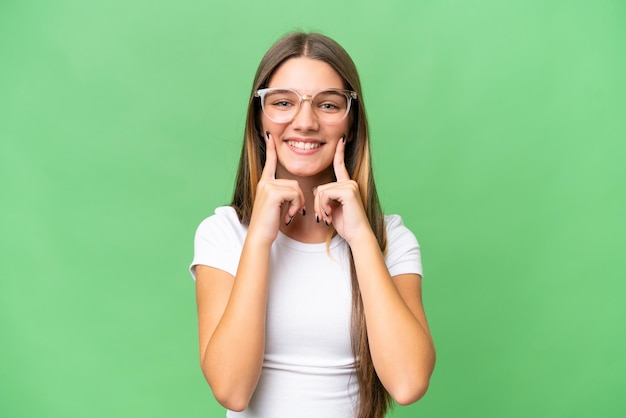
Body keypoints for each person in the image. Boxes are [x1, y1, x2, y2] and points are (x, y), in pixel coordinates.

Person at [190, 31, 436, 418]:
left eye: (328, 104)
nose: (305, 122)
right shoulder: (223, 234)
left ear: (350, 124)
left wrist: (360, 238)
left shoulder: (391, 239)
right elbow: (232, 390)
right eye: (284, 102)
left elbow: (407, 383)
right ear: (259, 120)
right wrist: (259, 240)